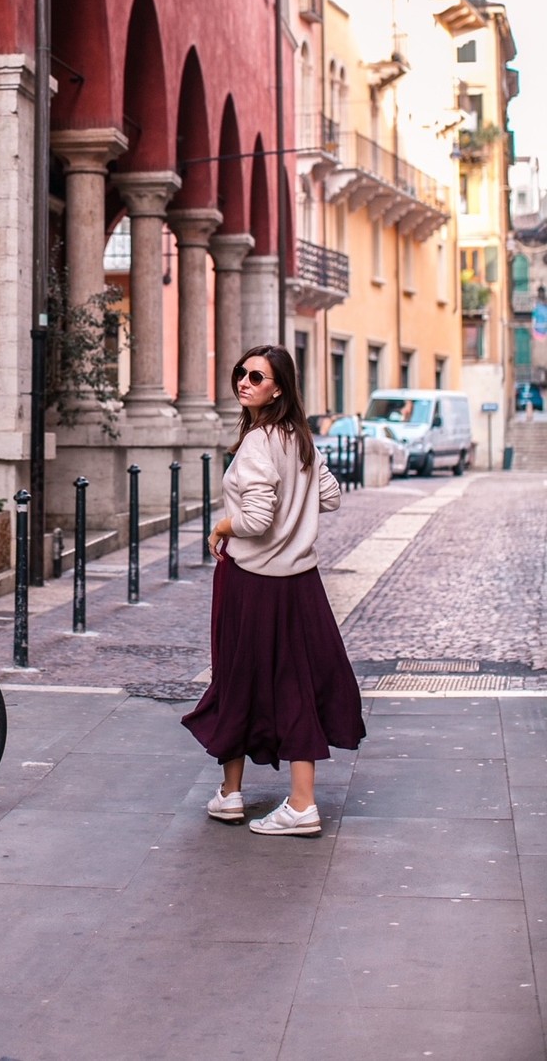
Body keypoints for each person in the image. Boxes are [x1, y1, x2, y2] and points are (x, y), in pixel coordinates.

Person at [182, 344, 365, 837]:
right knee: (296, 681)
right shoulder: (299, 437)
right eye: (240, 373)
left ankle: (265, 799)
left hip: (252, 584)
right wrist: (297, 513)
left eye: (256, 377)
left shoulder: (259, 442)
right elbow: (330, 496)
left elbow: (258, 519)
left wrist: (222, 525)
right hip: (299, 584)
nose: (244, 382)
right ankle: (242, 796)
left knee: (238, 677)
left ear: (278, 387)